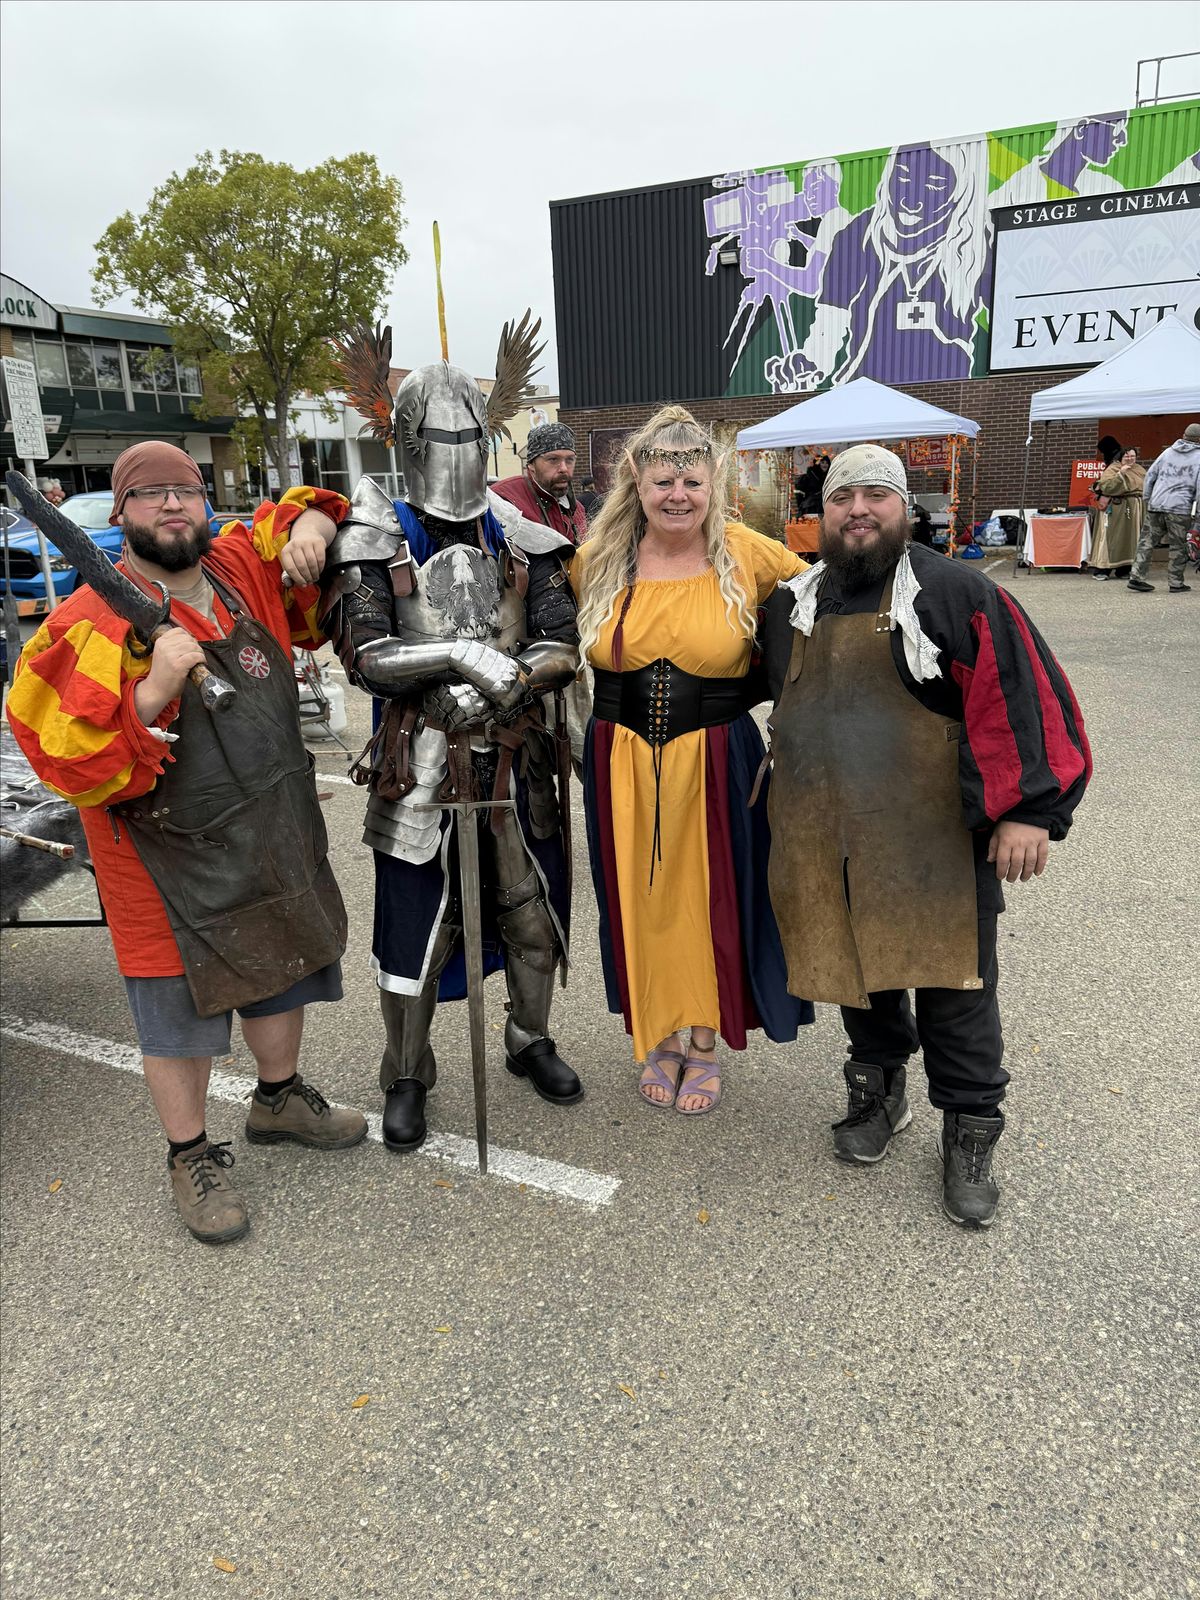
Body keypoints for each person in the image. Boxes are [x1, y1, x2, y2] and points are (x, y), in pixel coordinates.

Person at [6, 441, 365, 1245]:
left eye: (186, 492)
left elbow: (292, 518)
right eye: (149, 495)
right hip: (158, 856)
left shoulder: (236, 566)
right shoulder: (84, 624)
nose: (172, 506)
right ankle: (190, 1153)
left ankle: (279, 1101)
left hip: (268, 824)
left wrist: (310, 518)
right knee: (173, 1009)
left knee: (286, 962)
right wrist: (156, 687)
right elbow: (65, 760)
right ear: (122, 512)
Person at [763, 444, 1091, 1228]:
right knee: (859, 974)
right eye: (844, 497)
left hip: (936, 841)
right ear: (823, 514)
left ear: (905, 509)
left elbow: (1023, 696)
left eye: (877, 495)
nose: (859, 511)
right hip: (827, 838)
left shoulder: (954, 592)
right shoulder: (790, 606)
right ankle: (879, 1096)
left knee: (956, 991)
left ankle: (970, 1135)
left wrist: (1027, 810)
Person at [321, 345, 581, 1154]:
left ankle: (527, 1037)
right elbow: (365, 653)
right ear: (406, 443)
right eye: (439, 440)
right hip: (420, 759)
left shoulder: (522, 532)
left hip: (513, 752)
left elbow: (562, 643)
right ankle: (408, 1070)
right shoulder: (373, 528)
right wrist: (458, 657)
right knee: (415, 931)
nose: (455, 454)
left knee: (531, 911)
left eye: (467, 437)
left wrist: (509, 678)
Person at [571, 405, 813, 1115]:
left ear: (714, 484)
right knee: (641, 902)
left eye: (692, 480)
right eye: (663, 480)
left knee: (713, 901)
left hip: (718, 760)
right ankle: (659, 1033)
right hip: (618, 762)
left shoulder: (748, 554)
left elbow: (829, 605)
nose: (677, 494)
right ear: (635, 484)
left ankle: (703, 1040)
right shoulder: (597, 561)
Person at [1127, 424, 1199, 595]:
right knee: (1178, 546)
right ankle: (1176, 583)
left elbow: (1150, 476)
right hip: (1180, 508)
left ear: (1183, 435)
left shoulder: (1167, 453)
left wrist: (1148, 499)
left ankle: (1136, 577)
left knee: (1147, 541)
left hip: (1156, 504)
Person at [493, 422, 587, 546]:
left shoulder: (577, 510)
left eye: (569, 459)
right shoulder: (503, 498)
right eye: (553, 459)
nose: (564, 468)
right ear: (531, 464)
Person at [1091, 446, 1143, 579]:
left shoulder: (1139, 469)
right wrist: (1121, 474)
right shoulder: (1113, 468)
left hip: (1134, 509)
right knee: (1111, 538)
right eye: (1127, 456)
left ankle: (1124, 569)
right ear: (1121, 457)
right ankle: (1102, 570)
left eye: (1132, 456)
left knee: (1129, 539)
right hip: (1116, 508)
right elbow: (1106, 486)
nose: (1130, 459)